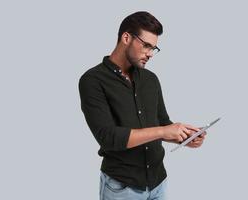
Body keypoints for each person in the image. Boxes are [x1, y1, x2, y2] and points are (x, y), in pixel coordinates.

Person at [78, 11, 206, 200]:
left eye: (154, 48)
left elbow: (162, 122)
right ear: (126, 37)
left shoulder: (150, 79)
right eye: (146, 45)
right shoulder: (92, 81)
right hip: (122, 189)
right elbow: (108, 137)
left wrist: (184, 137)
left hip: (158, 184)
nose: (150, 54)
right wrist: (163, 131)